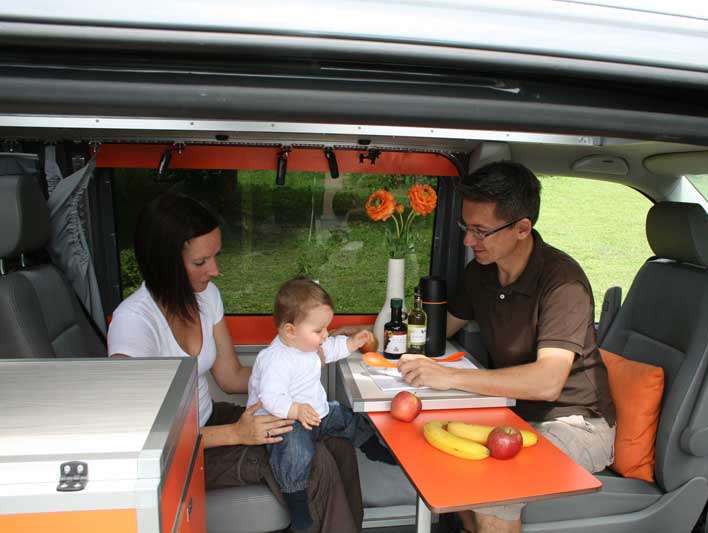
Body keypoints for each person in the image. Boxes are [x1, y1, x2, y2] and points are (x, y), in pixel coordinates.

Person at [107, 192, 364, 533]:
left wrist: (301, 359)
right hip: (179, 455)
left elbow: (231, 377)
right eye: (201, 262)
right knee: (316, 464)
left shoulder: (205, 297)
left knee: (338, 445)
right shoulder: (134, 325)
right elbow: (142, 439)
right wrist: (235, 433)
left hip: (210, 418)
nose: (215, 270)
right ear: (163, 263)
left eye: (215, 256)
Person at [397, 161, 616, 533]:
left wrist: (449, 378)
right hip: (512, 413)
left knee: (497, 486)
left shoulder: (564, 283)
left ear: (522, 228)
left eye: (480, 231)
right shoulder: (481, 272)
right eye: (466, 228)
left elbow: (548, 382)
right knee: (437, 457)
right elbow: (438, 331)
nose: (468, 242)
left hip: (575, 423)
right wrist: (371, 333)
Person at [249, 277, 394, 530]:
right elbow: (270, 397)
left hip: (316, 414)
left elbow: (332, 349)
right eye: (319, 331)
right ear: (290, 331)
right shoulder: (275, 359)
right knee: (295, 452)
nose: (325, 335)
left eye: (326, 328)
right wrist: (295, 410)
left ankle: (371, 446)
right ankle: (297, 501)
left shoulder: (306, 345)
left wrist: (353, 343)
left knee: (346, 417)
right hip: (284, 421)